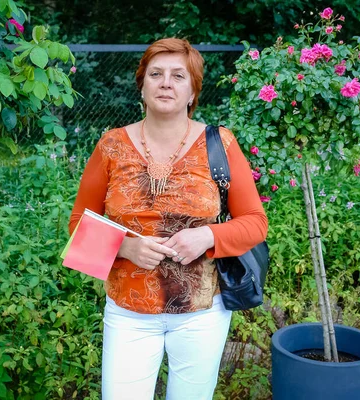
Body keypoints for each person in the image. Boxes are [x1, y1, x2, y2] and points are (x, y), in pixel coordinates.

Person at [68, 38, 268, 400]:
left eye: (179, 76)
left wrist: (207, 237)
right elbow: (78, 223)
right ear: (142, 86)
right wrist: (126, 247)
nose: (166, 83)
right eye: (156, 74)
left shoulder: (220, 143)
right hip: (128, 312)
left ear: (193, 91)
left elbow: (255, 222)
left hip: (202, 314)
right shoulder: (111, 145)